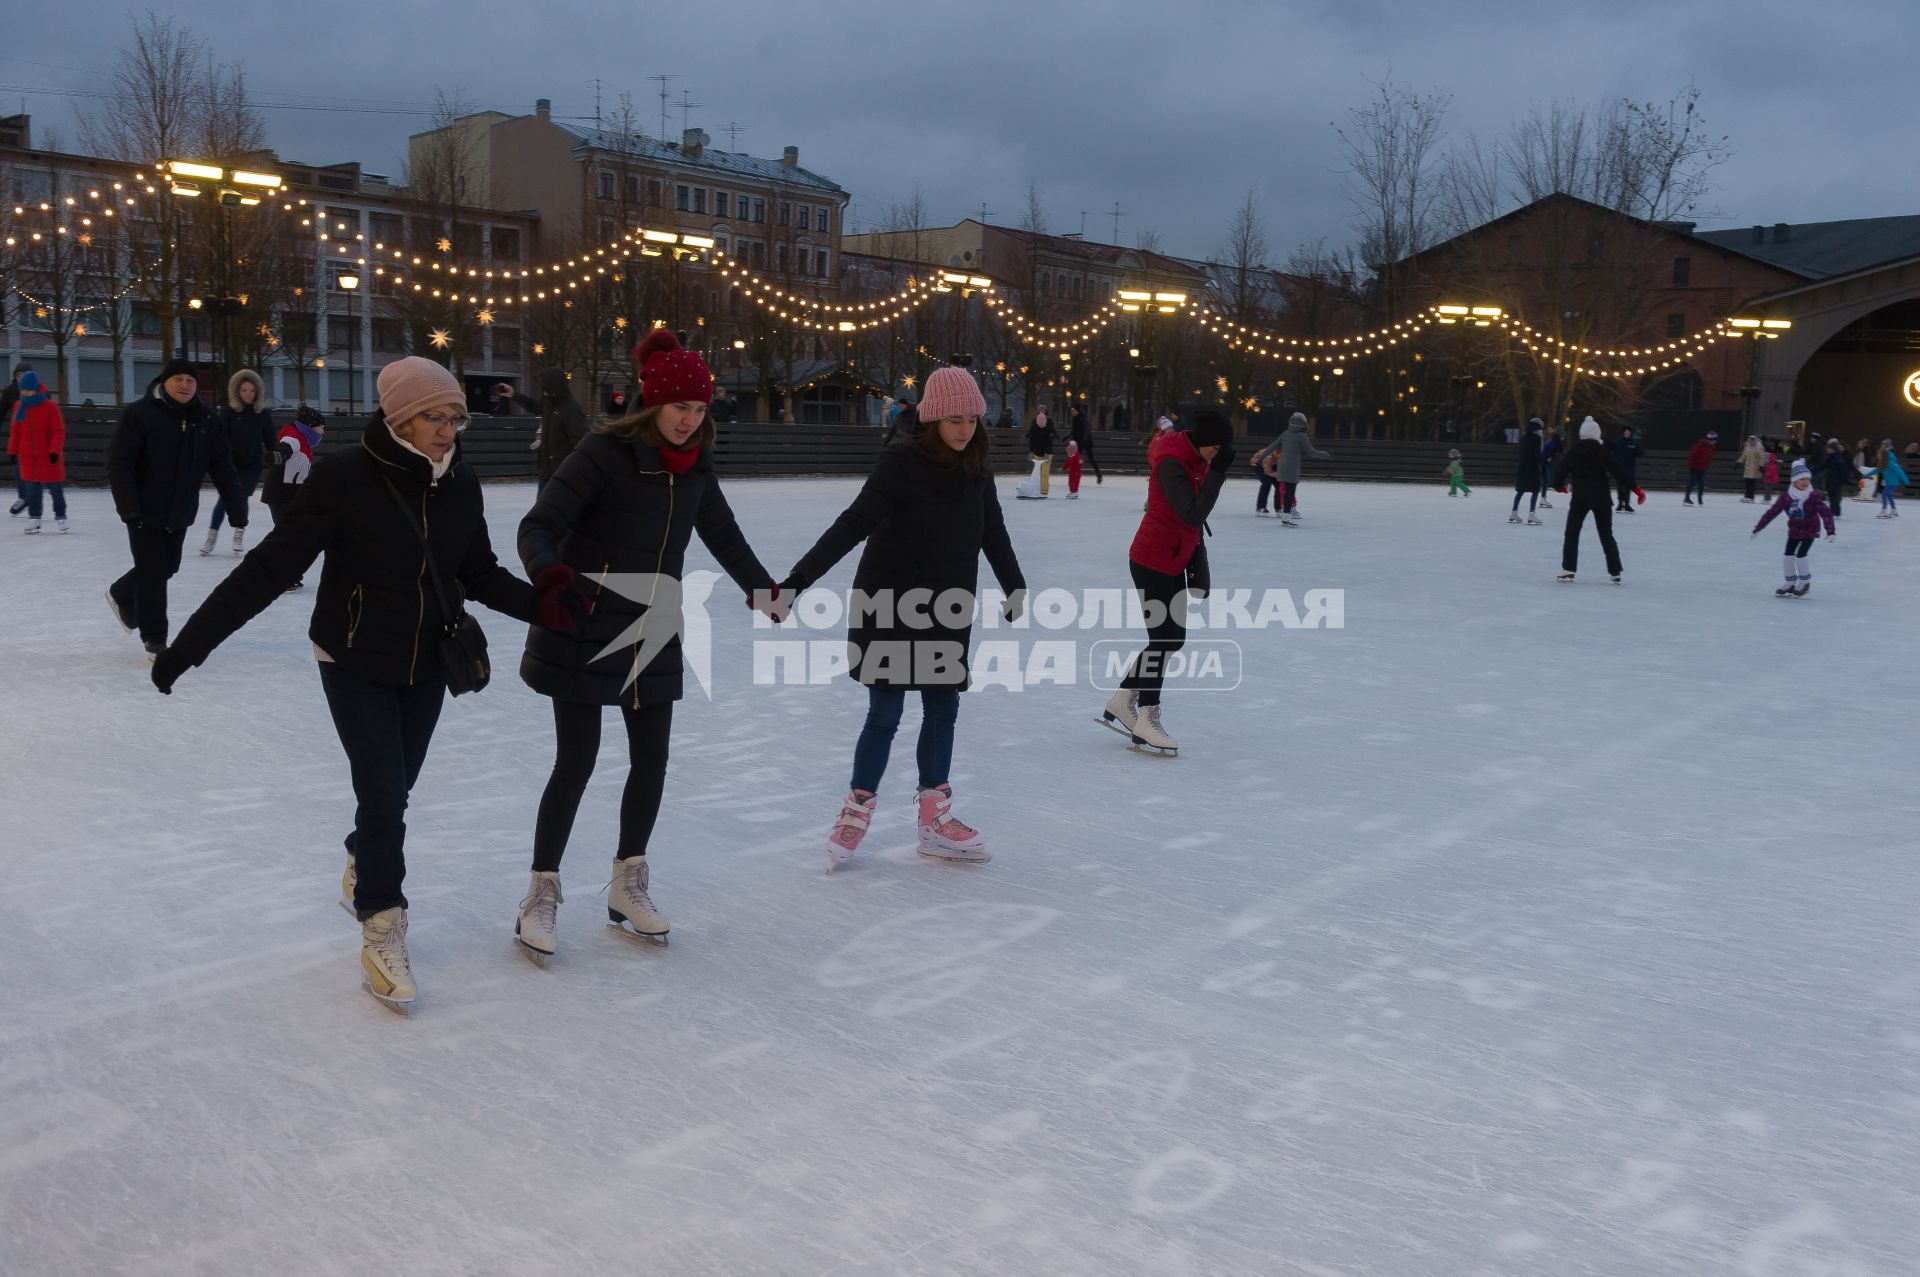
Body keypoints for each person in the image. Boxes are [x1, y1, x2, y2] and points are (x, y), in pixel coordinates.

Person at [150, 356, 542, 1012]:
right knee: (385, 793)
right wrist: (190, 646)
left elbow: (477, 570)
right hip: (353, 660)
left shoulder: (461, 483)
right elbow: (269, 568)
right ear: (399, 418)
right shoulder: (344, 478)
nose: (448, 430)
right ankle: (382, 926)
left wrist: (554, 608)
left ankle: (364, 854)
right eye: (433, 417)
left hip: (426, 664)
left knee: (395, 791)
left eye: (454, 418)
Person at [514, 329, 781, 955]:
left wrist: (759, 586)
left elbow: (720, 529)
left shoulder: (697, 464)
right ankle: (541, 892)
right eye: (679, 407)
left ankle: (627, 881)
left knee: (651, 760)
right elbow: (539, 524)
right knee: (575, 762)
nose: (689, 421)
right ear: (650, 402)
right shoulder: (602, 452)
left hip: (655, 624)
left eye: (699, 409)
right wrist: (551, 576)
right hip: (584, 622)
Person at [780, 365, 1024, 868]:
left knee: (942, 708)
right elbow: (852, 524)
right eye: (953, 419)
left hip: (947, 607)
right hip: (888, 606)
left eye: (971, 419)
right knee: (885, 714)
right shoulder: (901, 463)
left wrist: (1014, 583)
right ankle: (856, 809)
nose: (964, 429)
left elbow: (992, 529)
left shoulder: (976, 467)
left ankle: (935, 818)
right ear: (933, 418)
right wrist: (795, 583)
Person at [1101, 409, 1232, 757]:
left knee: (1172, 639)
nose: (1216, 456)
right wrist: (1218, 473)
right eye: (1215, 449)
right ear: (1203, 443)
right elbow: (1193, 513)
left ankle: (1123, 699)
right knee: (1163, 639)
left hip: (1172, 560)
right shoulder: (1173, 463)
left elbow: (1191, 524)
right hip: (1151, 561)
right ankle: (1146, 717)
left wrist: (1198, 567)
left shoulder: (1195, 461)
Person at [105, 360, 251, 660]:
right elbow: (121, 464)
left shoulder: (206, 420)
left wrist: (237, 507)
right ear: (164, 381)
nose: (184, 385)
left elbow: (222, 466)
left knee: (168, 566)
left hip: (180, 511)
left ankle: (121, 593)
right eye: (178, 379)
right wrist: (129, 507)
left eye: (190, 380)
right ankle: (155, 639)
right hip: (144, 511)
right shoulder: (139, 415)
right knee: (152, 573)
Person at [201, 369, 278, 555]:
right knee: (225, 499)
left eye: (251, 390)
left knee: (242, 497)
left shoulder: (262, 415)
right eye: (244, 390)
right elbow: (220, 438)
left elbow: (270, 440)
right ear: (237, 391)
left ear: (257, 391)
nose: (248, 394)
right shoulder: (228, 413)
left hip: (252, 466)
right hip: (230, 464)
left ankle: (238, 533)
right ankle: (212, 536)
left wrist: (275, 454)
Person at [1551, 417, 1634, 583]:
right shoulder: (1603, 452)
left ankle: (1568, 568)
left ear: (1582, 434)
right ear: (1597, 434)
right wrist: (1635, 488)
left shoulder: (1573, 452)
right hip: (1602, 498)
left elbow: (1559, 474)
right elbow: (1618, 470)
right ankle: (1615, 571)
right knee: (1606, 534)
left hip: (1580, 498)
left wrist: (1559, 487)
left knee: (1572, 533)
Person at [263, 406, 327, 591]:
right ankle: (282, 576)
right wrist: (278, 456)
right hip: (279, 495)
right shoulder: (295, 437)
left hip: (289, 495)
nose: (323, 431)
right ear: (311, 426)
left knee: (295, 535)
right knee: (287, 536)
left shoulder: (304, 441)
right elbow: (286, 448)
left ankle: (290, 574)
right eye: (321, 427)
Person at [1751, 459, 1836, 597]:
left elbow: (1825, 513)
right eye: (1802, 479)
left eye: (1807, 479)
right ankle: (1790, 582)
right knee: (1787, 556)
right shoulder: (1786, 497)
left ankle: (1805, 582)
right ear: (1794, 480)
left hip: (1810, 529)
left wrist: (1831, 531)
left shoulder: (1813, 496)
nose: (1805, 482)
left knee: (1801, 555)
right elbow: (1773, 511)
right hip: (1794, 529)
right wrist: (1759, 527)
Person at [498, 368, 586, 495]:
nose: (543, 390)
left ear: (554, 385)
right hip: (545, 469)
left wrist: (575, 472)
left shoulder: (571, 409)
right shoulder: (549, 403)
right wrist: (514, 395)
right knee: (543, 509)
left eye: (545, 386)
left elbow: (580, 442)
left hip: (563, 473)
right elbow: (533, 406)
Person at [8, 370, 67, 534]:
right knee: (32, 490)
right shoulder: (19, 407)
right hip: (28, 457)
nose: (24, 393)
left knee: (55, 489)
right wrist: (13, 451)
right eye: (22, 390)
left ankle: (61, 516)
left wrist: (54, 450)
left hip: (48, 456)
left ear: (35, 388)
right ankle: (35, 518)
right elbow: (16, 431)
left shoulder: (50, 407)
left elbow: (58, 431)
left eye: (27, 390)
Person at [1271, 412, 1329, 526]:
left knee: (1286, 492)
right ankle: (1286, 518)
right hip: (1292, 468)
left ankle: (1285, 516)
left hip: (1282, 466)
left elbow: (1272, 446)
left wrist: (1261, 457)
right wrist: (1324, 454)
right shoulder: (1301, 436)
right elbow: (1311, 452)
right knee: (1289, 492)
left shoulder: (1285, 434)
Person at [4, 362, 34, 518]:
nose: (21, 378)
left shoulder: (37, 390)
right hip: (19, 436)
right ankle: (24, 497)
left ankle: (33, 499)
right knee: (18, 467)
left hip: (35, 437)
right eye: (18, 375)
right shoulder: (10, 392)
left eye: (24, 375)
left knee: (35, 470)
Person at [1509, 418, 1545, 525]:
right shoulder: (1537, 438)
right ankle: (1531, 514)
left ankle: (1514, 512)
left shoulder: (1523, 438)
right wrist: (1543, 463)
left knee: (1520, 491)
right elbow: (1537, 454)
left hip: (1522, 468)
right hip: (1532, 468)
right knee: (1535, 490)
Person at [1017, 403, 1055, 499]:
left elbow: (1049, 439)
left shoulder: (1049, 422)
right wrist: (1031, 451)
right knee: (1037, 472)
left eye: (1043, 410)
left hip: (1047, 453)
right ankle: (1037, 489)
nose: (1041, 411)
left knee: (1044, 473)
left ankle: (1044, 491)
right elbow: (1032, 437)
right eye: (1040, 410)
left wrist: (1047, 453)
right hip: (1037, 451)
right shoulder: (1034, 423)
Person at [1819, 438, 1856, 520]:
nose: (1840, 449)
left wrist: (1848, 478)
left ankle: (1834, 512)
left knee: (1835, 496)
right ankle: (1835, 512)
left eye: (1841, 447)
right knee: (1833, 495)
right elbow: (1824, 465)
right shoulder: (1833, 456)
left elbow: (1848, 468)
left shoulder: (1841, 457)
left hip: (1837, 480)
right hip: (1832, 479)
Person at [1868, 441, 1908, 518]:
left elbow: (1899, 471)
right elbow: (1877, 469)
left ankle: (1884, 511)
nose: (1878, 456)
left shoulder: (1891, 462)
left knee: (1884, 494)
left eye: (1879, 454)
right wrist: (1867, 475)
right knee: (1889, 495)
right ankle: (1894, 511)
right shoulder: (1883, 462)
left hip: (1893, 482)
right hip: (1888, 481)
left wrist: (1906, 480)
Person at [1611, 426, 1644, 512]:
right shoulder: (1618, 442)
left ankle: (1627, 504)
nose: (1627, 433)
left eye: (1628, 432)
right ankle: (1620, 503)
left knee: (1628, 486)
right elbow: (1611, 450)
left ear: (1630, 433)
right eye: (1625, 432)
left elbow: (1640, 453)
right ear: (1623, 433)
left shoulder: (1634, 443)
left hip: (1629, 469)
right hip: (1619, 468)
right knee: (1619, 486)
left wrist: (1638, 446)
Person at [1069, 402, 1101, 484]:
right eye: (1071, 411)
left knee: (1091, 458)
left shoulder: (1083, 418)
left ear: (1078, 411)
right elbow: (1073, 430)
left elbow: (1087, 430)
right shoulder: (1075, 418)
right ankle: (1075, 476)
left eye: (1074, 411)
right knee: (1075, 459)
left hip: (1086, 441)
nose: (1072, 413)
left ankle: (1099, 475)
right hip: (1079, 441)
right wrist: (1067, 436)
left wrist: (1084, 438)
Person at [1683, 430, 1718, 504]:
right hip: (1695, 467)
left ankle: (1700, 499)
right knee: (1692, 482)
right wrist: (1692, 466)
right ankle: (1687, 498)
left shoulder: (1711, 447)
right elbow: (1692, 455)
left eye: (1715, 440)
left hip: (1702, 468)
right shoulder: (1700, 445)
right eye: (1713, 440)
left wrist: (1705, 466)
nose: (1714, 442)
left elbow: (1707, 458)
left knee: (1701, 484)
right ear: (1709, 439)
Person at [1537, 424, 1562, 509]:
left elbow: (1555, 450)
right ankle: (1543, 498)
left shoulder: (1554, 440)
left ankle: (1543, 498)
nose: (1549, 430)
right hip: (1545, 460)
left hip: (1546, 460)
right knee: (1545, 479)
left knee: (1545, 479)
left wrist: (1550, 457)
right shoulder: (1552, 440)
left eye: (1551, 429)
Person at [1738, 434, 1766, 503]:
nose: (1750, 442)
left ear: (1754, 441)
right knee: (1747, 482)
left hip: (1755, 467)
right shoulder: (1747, 446)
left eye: (1751, 441)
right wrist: (1738, 462)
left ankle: (1751, 497)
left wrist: (1761, 466)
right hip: (1747, 467)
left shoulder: (1759, 447)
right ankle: (1747, 496)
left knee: (1751, 483)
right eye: (1749, 440)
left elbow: (1762, 457)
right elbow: (1744, 455)